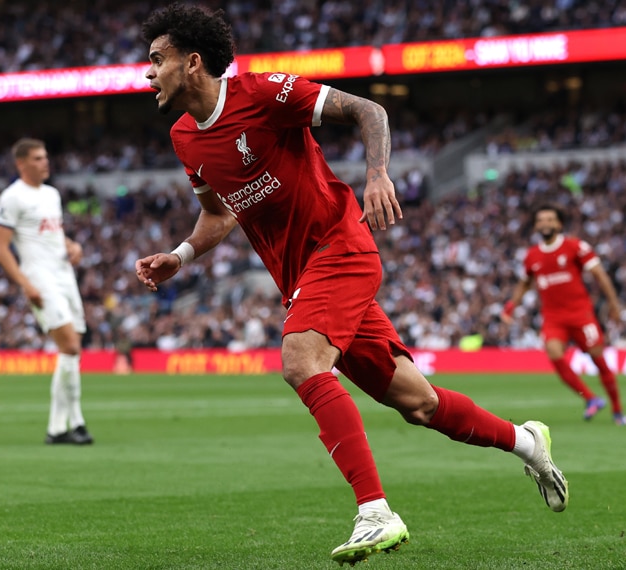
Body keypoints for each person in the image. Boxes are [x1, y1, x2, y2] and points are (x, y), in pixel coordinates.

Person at [134, 4, 567, 565]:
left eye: (156, 59)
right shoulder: (184, 138)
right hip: (301, 278)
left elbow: (369, 109)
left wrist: (377, 173)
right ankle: (528, 442)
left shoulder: (261, 94)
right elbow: (220, 214)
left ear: (192, 63)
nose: (147, 72)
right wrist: (181, 253)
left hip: (341, 247)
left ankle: (375, 512)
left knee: (300, 360)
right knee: (420, 403)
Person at [0, 138, 93, 445]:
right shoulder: (12, 197)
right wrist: (25, 284)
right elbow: (0, 248)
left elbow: (54, 234)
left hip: (64, 276)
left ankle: (56, 428)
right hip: (40, 277)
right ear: (21, 164)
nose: (44, 162)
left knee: (71, 352)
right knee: (71, 346)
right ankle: (76, 423)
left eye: (45, 157)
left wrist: (72, 246)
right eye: (37, 158)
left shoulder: (52, 194)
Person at [501, 204, 626, 425]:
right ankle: (591, 399)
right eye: (541, 220)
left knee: (598, 359)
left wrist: (613, 305)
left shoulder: (575, 246)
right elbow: (524, 284)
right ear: (535, 226)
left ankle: (617, 410)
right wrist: (511, 306)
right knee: (553, 352)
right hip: (553, 318)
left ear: (559, 224)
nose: (545, 224)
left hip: (581, 315)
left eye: (550, 219)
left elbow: (599, 275)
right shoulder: (532, 256)